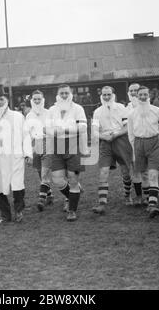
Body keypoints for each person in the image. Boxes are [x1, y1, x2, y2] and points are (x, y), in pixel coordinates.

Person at [0, 84, 32, 224]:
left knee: (17, 184)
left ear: (6, 99)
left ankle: (19, 210)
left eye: (1, 99)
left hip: (15, 156)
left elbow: (26, 135)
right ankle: (5, 215)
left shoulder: (18, 116)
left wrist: (27, 154)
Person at [45, 84, 88, 221]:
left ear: (71, 94)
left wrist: (66, 130)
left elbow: (83, 126)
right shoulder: (52, 110)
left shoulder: (77, 108)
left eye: (66, 93)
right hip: (57, 145)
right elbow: (46, 128)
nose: (64, 95)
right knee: (57, 179)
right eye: (61, 93)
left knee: (73, 178)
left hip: (73, 144)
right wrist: (55, 132)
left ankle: (72, 211)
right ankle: (73, 196)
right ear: (57, 95)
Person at [127, 86, 159, 218]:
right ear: (136, 96)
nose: (143, 97)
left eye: (145, 94)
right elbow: (130, 133)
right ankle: (147, 198)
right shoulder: (132, 113)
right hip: (139, 143)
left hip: (153, 143)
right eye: (140, 95)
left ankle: (152, 204)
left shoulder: (157, 111)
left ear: (149, 95)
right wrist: (134, 147)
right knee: (144, 175)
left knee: (153, 174)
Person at [91, 86, 133, 215]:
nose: (106, 97)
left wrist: (115, 135)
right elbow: (94, 131)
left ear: (113, 95)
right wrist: (104, 136)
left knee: (126, 171)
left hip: (121, 140)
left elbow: (127, 128)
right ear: (101, 96)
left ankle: (127, 195)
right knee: (103, 171)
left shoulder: (121, 108)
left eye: (109, 94)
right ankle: (102, 203)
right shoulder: (97, 111)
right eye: (104, 95)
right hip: (105, 142)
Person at [24, 90, 55, 211]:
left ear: (43, 100)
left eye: (39, 99)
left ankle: (41, 199)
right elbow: (28, 134)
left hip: (48, 142)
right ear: (32, 100)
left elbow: (53, 129)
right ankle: (50, 195)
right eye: (35, 99)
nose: (37, 101)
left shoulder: (49, 113)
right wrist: (28, 150)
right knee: (39, 171)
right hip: (36, 145)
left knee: (45, 172)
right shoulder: (29, 115)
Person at [126, 83, 149, 205]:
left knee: (146, 171)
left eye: (136, 90)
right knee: (135, 171)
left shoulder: (149, 107)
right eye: (131, 91)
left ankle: (147, 196)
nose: (134, 93)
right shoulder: (126, 108)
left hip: (147, 141)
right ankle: (139, 196)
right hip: (132, 143)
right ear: (128, 93)